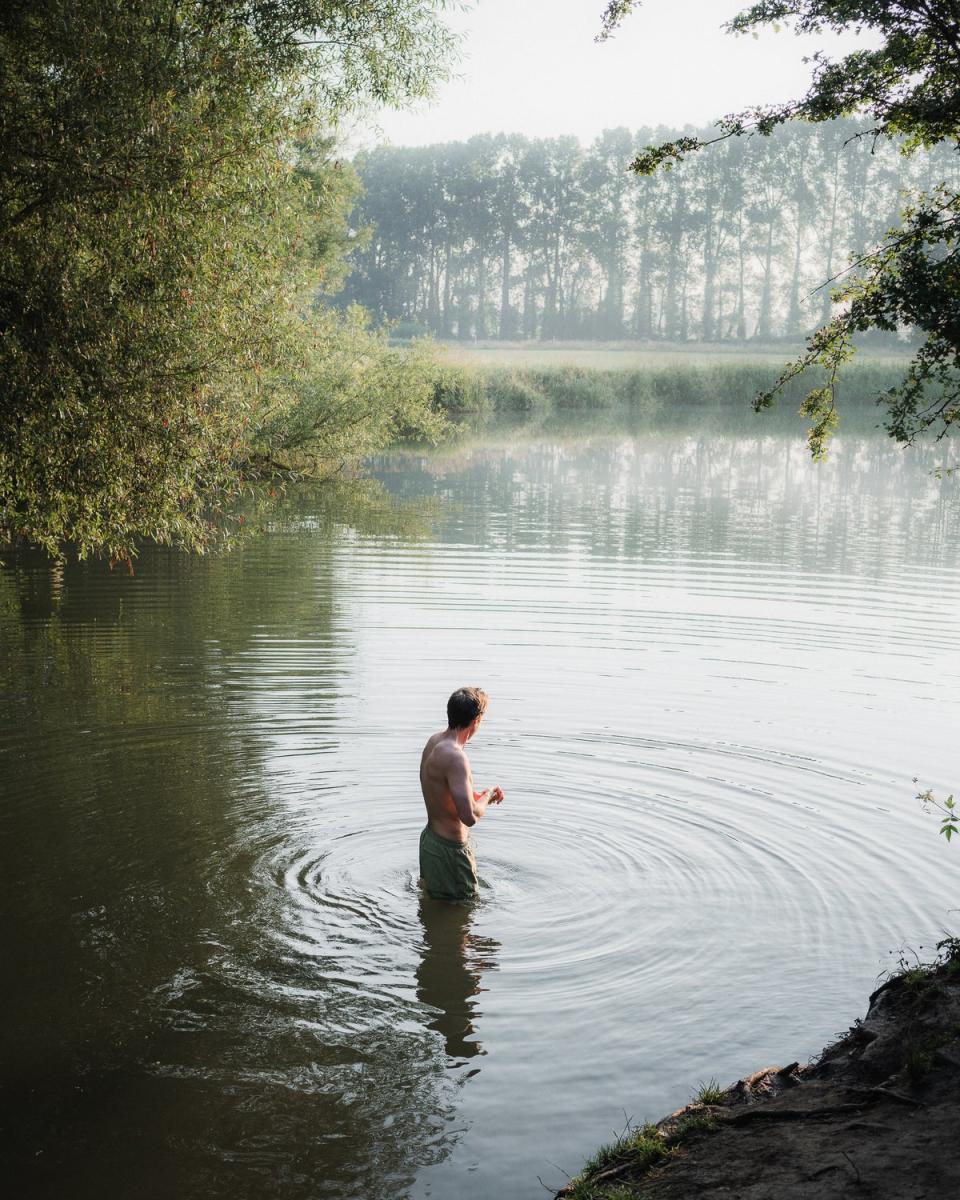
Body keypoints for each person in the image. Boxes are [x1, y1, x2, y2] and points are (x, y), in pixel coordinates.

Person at [419, 686, 504, 901]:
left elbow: (441, 791)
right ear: (476, 720)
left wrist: (479, 795)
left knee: (435, 907)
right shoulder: (457, 757)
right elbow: (470, 816)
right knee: (463, 910)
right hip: (450, 852)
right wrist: (488, 797)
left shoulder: (434, 742)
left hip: (430, 843)